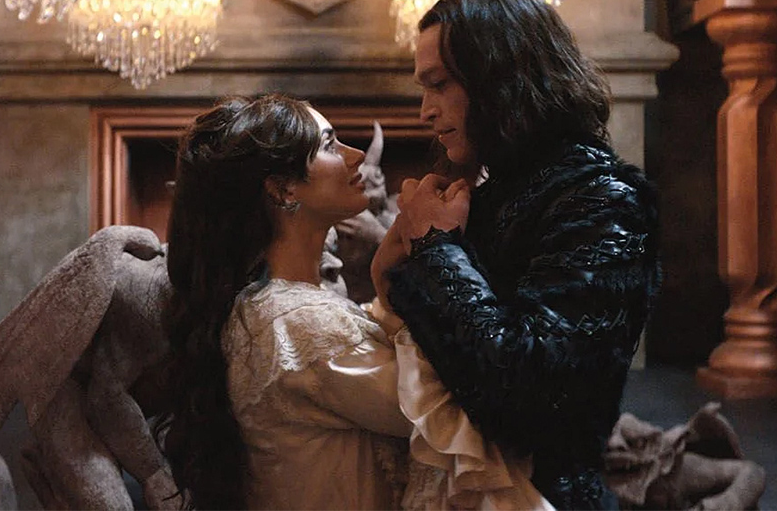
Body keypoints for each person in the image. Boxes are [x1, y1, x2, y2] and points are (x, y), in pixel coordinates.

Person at [156, 93, 550, 511]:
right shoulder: (295, 321)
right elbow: (464, 405)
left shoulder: (282, 308)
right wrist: (441, 247)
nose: (356, 155)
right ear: (283, 187)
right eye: (329, 145)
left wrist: (384, 275)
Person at [371, 0, 661, 510]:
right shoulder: (494, 192)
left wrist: (434, 246)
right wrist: (392, 265)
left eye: (439, 85)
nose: (425, 111)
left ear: (500, 79)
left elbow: (528, 397)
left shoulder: (603, 199)